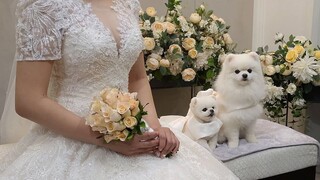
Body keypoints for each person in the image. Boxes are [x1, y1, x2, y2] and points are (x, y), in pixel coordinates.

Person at [0, 0, 238, 179]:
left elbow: (137, 79)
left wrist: (156, 130)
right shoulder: (44, 7)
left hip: (132, 128)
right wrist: (105, 140)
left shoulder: (126, 4)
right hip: (70, 134)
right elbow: (28, 100)